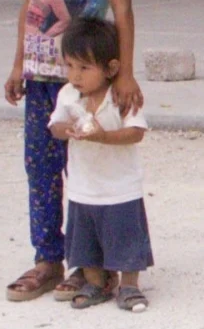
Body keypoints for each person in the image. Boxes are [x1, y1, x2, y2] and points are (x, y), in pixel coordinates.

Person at [3, 0, 139, 304]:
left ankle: (93, 263)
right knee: (41, 168)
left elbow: (122, 9)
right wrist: (18, 61)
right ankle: (47, 258)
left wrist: (124, 73)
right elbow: (30, 4)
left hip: (89, 80)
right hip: (42, 77)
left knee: (90, 167)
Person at [47, 18, 153, 312]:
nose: (75, 76)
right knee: (85, 241)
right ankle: (95, 282)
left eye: (84, 68)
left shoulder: (121, 97)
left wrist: (103, 136)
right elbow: (54, 126)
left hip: (120, 186)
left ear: (111, 68)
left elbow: (136, 133)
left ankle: (130, 285)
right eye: (70, 66)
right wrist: (67, 129)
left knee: (126, 236)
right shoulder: (68, 95)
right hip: (83, 186)